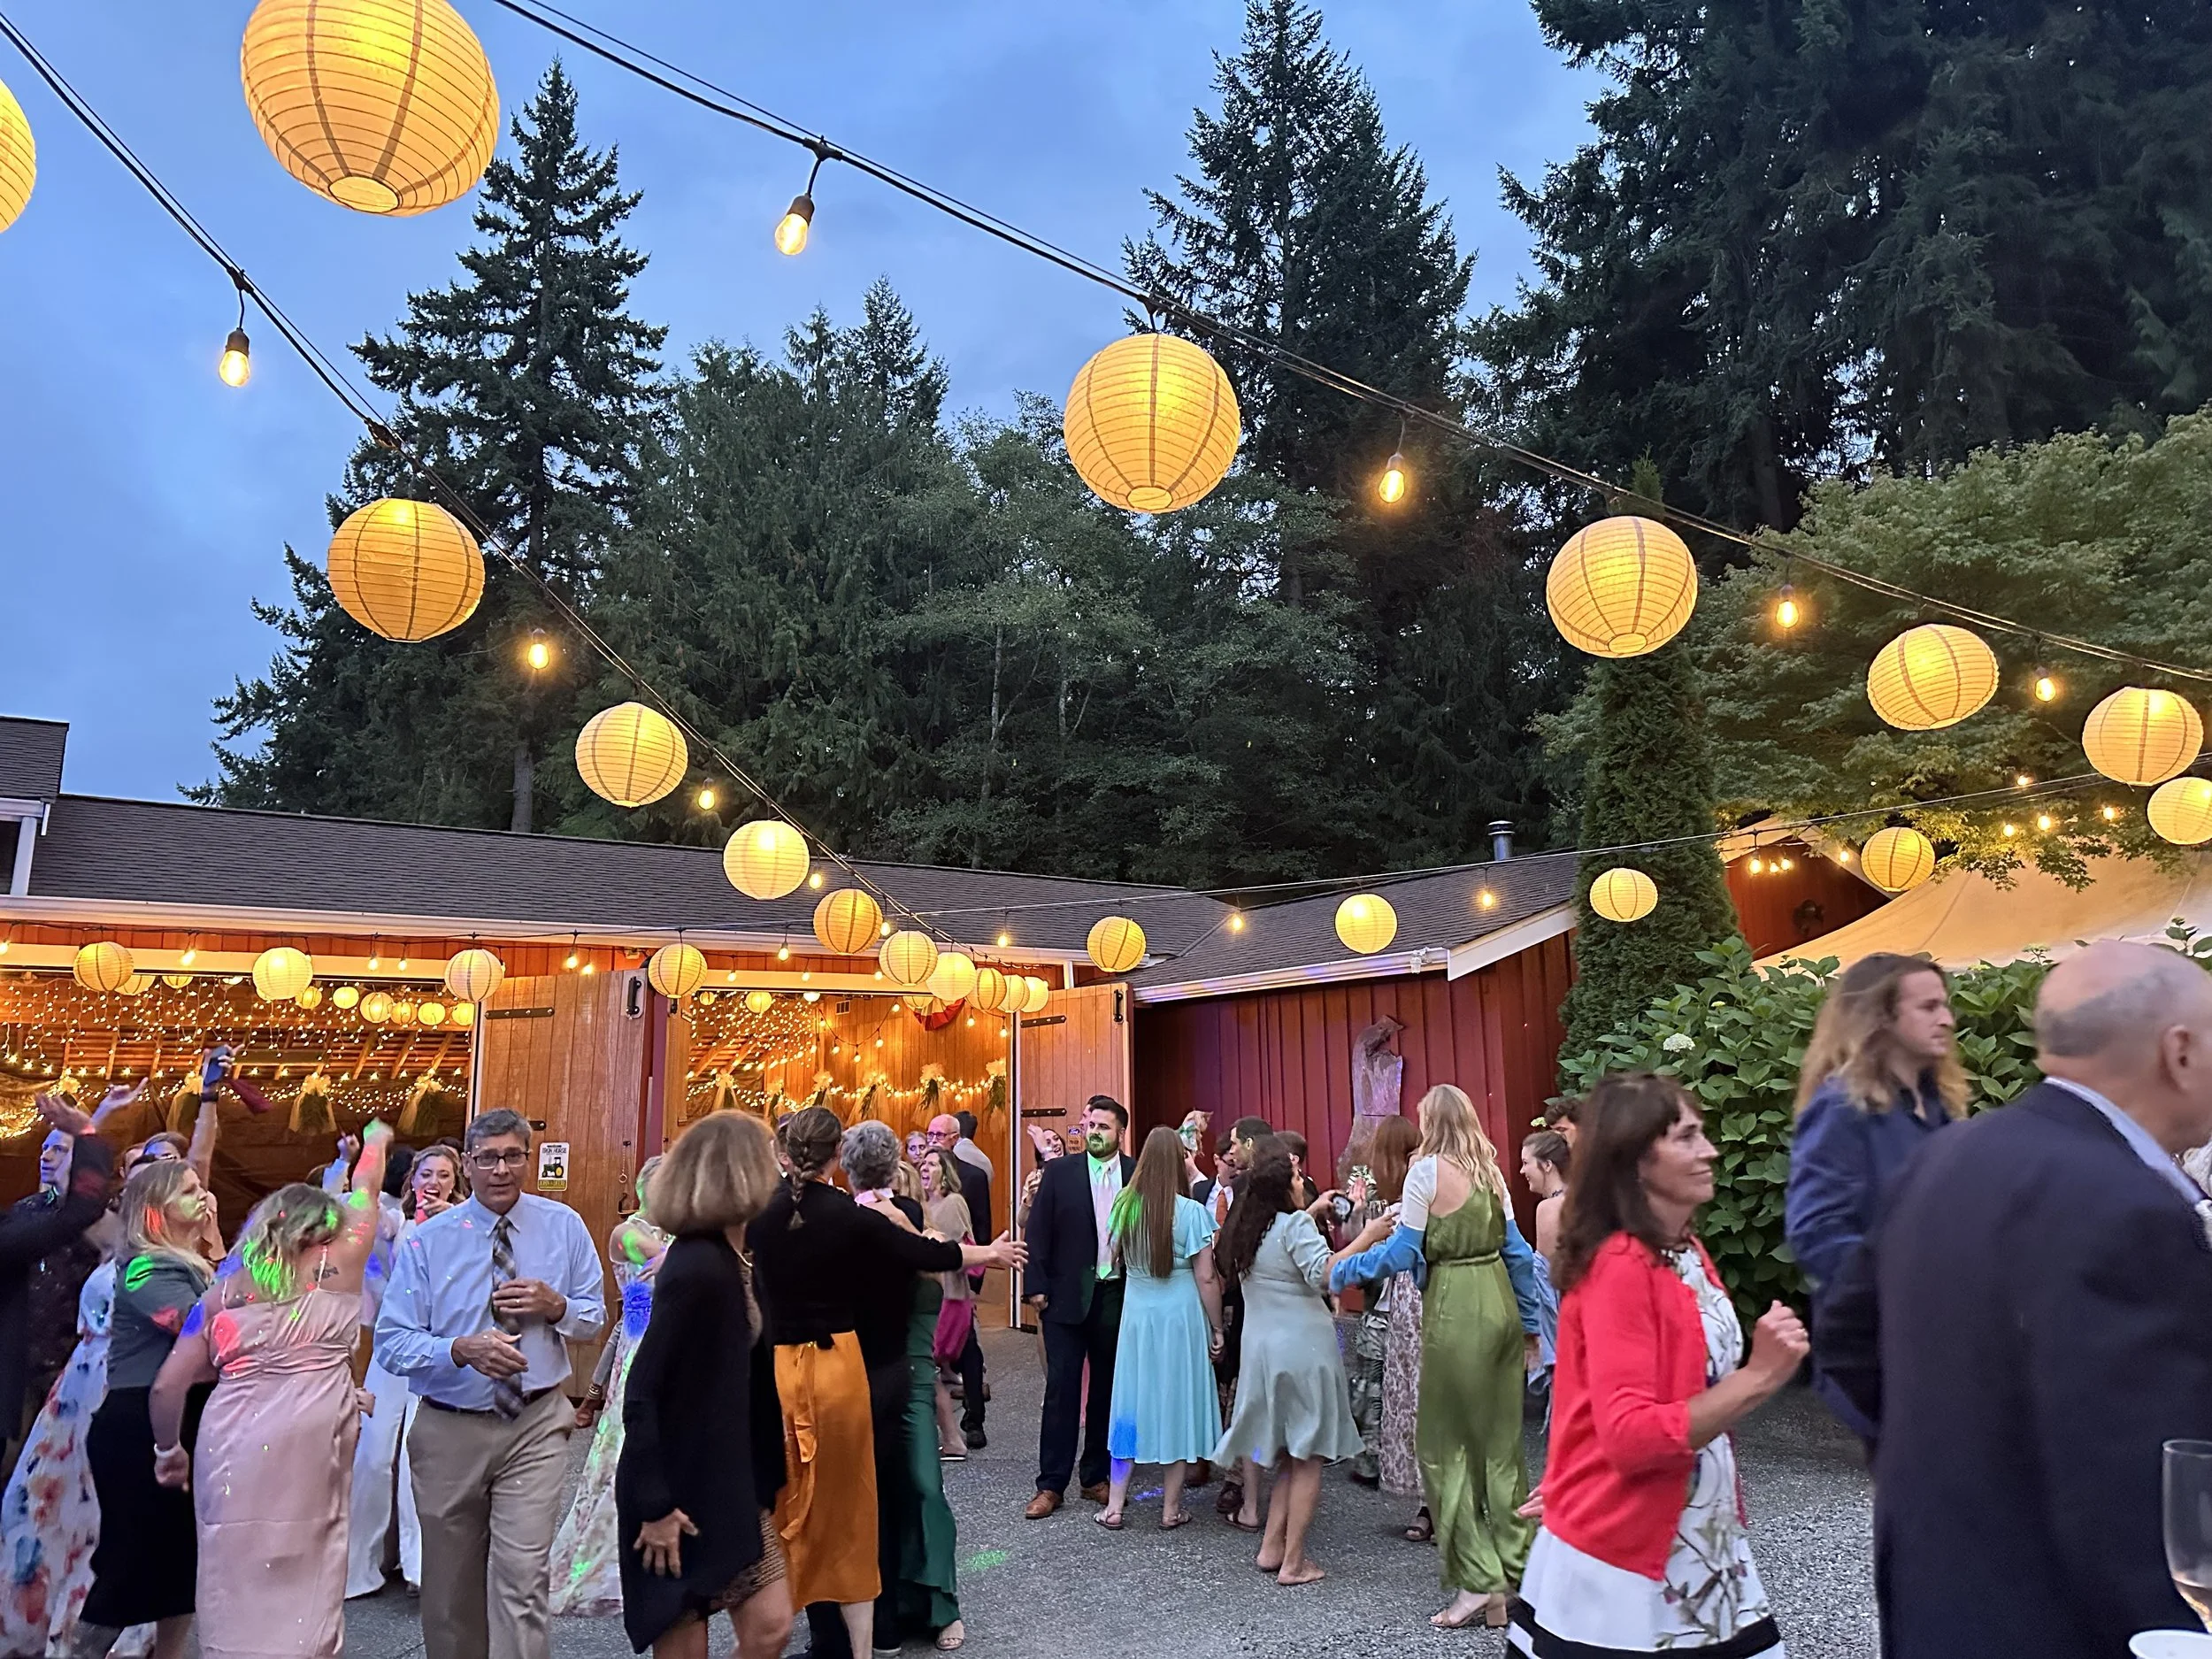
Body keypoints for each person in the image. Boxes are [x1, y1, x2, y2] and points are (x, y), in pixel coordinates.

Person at [1817, 941, 2212, 1656]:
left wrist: (1946, 1470)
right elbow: (2140, 1488)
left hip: (1938, 1602)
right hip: (2061, 1627)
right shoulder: (2132, 1208)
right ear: (2179, 1050)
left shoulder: (1944, 1156)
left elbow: (1847, 1344)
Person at [1510, 1072, 1804, 1658]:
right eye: (1689, 1136)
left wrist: (1572, 1464)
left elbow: (1593, 1392)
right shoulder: (1623, 1263)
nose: (1710, 1149)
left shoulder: (1683, 1248)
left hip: (1691, 1538)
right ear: (1636, 1158)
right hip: (1631, 1566)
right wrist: (1760, 1375)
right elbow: (1633, 1434)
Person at [748, 1109, 1018, 1659]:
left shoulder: (764, 1215)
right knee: (853, 1503)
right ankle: (871, 1633)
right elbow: (922, 1252)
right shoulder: (848, 1218)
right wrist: (987, 1253)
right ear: (832, 1159)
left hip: (782, 1371)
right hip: (839, 1366)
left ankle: (818, 1627)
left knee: (797, 1497)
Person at [149, 1128, 393, 1659]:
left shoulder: (220, 1295)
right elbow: (368, 1189)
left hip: (230, 1439)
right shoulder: (343, 1265)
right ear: (325, 1227)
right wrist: (376, 1141)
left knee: (229, 1557)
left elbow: (169, 1384)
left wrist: (169, 1451)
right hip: (314, 1434)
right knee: (312, 1555)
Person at [373, 1109, 607, 1659]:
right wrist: (458, 1349)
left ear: (528, 1158)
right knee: (451, 1588)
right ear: (467, 1165)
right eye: (488, 1158)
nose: (501, 1169)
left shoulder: (563, 1225)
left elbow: (594, 1317)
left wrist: (557, 1308)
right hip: (450, 1427)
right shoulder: (428, 1241)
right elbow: (391, 1341)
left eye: (512, 1156)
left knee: (522, 1577)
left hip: (535, 1421)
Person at [1331, 1085, 1545, 1629]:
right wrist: (1529, 1327)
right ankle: (1515, 1578)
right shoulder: (1491, 1173)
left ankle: (1476, 1584)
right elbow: (1519, 1255)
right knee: (1500, 1449)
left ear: (1432, 1123)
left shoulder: (1425, 1174)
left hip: (1455, 1307)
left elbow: (1404, 1252)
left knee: (1444, 1449)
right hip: (1498, 1302)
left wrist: (1343, 1270)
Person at [616, 1115, 791, 1659]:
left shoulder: (738, 1257)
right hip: (677, 1490)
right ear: (738, 1172)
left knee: (771, 1624)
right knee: (686, 1646)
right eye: (768, 1154)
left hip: (730, 1481)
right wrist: (655, 1506)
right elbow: (643, 1390)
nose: (779, 1167)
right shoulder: (696, 1267)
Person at [1785, 952, 1962, 1440]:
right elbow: (1816, 1233)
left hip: (1944, 1344)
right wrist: (1903, 1291)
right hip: (1885, 1354)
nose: (1947, 1019)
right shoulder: (1843, 1108)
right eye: (1928, 1007)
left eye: (1945, 1005)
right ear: (1880, 1017)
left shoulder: (1937, 1107)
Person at [75, 1160, 218, 1659]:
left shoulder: (189, 1263)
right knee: (130, 1568)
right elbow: (196, 1329)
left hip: (184, 1421)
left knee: (182, 1566)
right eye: (190, 1190)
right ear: (157, 1211)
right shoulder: (146, 1267)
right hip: (140, 1430)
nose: (205, 1196)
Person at [1210, 1137, 1360, 1585]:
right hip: (1303, 1348)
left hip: (1264, 1349)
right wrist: (1367, 1237)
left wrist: (1312, 1215)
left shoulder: (1250, 1230)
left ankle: (1272, 1547)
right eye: (1297, 1178)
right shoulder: (1294, 1225)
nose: (1303, 1183)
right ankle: (1294, 1562)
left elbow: (1285, 1239)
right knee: (1309, 1454)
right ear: (1284, 1188)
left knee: (1292, 1457)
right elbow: (1325, 1272)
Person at [549, 1158, 671, 1617]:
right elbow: (662, 1266)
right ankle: (605, 1556)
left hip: (670, 1342)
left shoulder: (681, 1235)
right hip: (642, 1344)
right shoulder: (629, 1233)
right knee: (626, 1447)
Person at [348, 1143, 469, 1601]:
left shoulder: (464, 1224)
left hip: (436, 1349)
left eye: (442, 1174)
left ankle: (421, 1565)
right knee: (374, 1454)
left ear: (454, 1182)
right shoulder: (394, 1220)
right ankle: (365, 1562)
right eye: (425, 1174)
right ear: (412, 1180)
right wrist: (361, 1159)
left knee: (421, 1453)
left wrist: (441, 1222)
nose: (432, 1182)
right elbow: (360, 1215)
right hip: (391, 1347)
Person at [1097, 1125, 1224, 1530]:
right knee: (1176, 1402)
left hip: (1138, 1314)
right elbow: (1206, 1278)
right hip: (1181, 1317)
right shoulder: (1192, 1213)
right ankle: (1171, 1509)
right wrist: (1217, 1327)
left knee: (1130, 1403)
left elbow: (1109, 1263)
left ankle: (1115, 1506)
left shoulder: (1124, 1206)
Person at [1023, 1096, 1136, 1519]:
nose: (1094, 1132)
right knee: (1061, 1392)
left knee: (1106, 1390)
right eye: (1090, 1125)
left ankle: (1094, 1476)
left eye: (1104, 1127)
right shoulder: (1060, 1174)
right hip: (1065, 1298)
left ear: (1120, 1132)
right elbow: (1038, 1231)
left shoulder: (1133, 1172)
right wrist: (1035, 1286)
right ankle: (1051, 1484)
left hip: (1115, 1294)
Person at [3, 1097, 119, 1482]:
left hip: (64, 1362)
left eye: (59, 1149)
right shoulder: (23, 1216)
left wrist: (88, 1130)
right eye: (45, 1149)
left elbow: (83, 1212)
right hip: (17, 1370)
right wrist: (87, 1132)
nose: (47, 1157)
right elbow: (80, 1210)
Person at [1342, 1113, 1419, 1494]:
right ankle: (1400, 1459)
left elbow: (1353, 1242)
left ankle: (1370, 1457)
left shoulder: (1368, 1187)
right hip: (1407, 1298)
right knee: (1404, 1383)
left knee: (1371, 1381)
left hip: (1377, 1300)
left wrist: (1357, 1214)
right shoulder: (1419, 1183)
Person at [926, 1113, 991, 1449]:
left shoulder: (968, 1185)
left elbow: (975, 1234)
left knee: (967, 1352)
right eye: (929, 1134)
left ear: (955, 1137)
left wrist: (975, 1287)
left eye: (940, 1135)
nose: (933, 1139)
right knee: (942, 1355)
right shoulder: (918, 1198)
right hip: (934, 1291)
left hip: (955, 1289)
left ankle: (973, 1418)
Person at [918, 1147, 977, 1460]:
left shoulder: (953, 1203)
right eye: (923, 1163)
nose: (925, 1168)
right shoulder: (923, 1203)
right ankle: (947, 1437)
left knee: (927, 1367)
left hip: (950, 1297)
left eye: (932, 1163)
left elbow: (952, 1253)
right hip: (933, 1295)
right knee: (930, 1369)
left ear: (946, 1171)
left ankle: (953, 1439)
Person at [1517, 1129, 1571, 1393]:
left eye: (1527, 1163)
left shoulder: (1549, 1208)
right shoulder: (1579, 1199)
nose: (1521, 1171)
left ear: (1547, 1165)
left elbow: (1547, 1283)